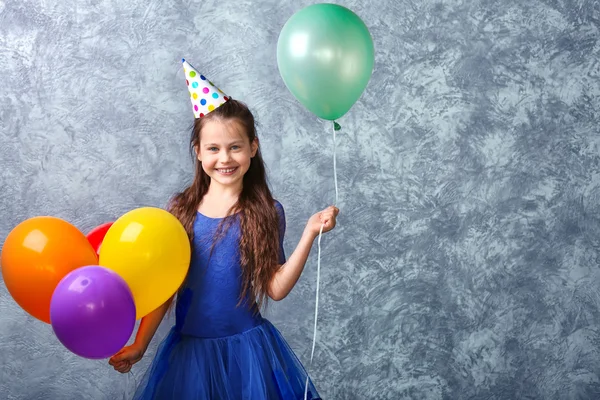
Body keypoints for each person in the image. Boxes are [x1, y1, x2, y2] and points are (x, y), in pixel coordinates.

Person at [108, 59, 339, 399]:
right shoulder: (181, 211)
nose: (225, 158)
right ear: (198, 152)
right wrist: (141, 345)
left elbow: (274, 288)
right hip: (190, 357)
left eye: (235, 147)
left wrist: (309, 233)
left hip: (248, 357)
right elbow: (165, 286)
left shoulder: (266, 213)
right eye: (213, 149)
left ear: (253, 148)